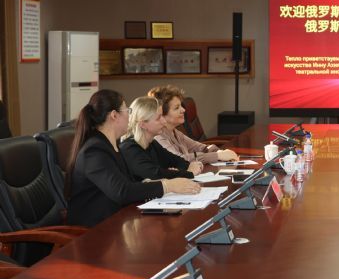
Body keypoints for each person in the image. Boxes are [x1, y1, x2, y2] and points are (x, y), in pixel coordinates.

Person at [66, 89, 201, 227]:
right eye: (127, 111)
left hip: (117, 219)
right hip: (95, 229)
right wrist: (167, 185)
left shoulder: (110, 145)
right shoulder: (94, 151)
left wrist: (161, 182)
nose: (130, 116)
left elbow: (130, 183)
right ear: (114, 115)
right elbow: (122, 191)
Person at [120, 96, 204, 181]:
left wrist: (182, 170)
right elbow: (155, 174)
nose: (164, 121)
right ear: (143, 124)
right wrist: (188, 173)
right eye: (158, 118)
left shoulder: (152, 143)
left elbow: (178, 161)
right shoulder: (129, 149)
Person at [148, 85, 238, 164]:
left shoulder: (175, 132)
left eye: (181, 106)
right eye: (176, 108)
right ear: (161, 113)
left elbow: (202, 148)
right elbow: (178, 159)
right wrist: (217, 156)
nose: (183, 110)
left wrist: (222, 153)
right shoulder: (157, 137)